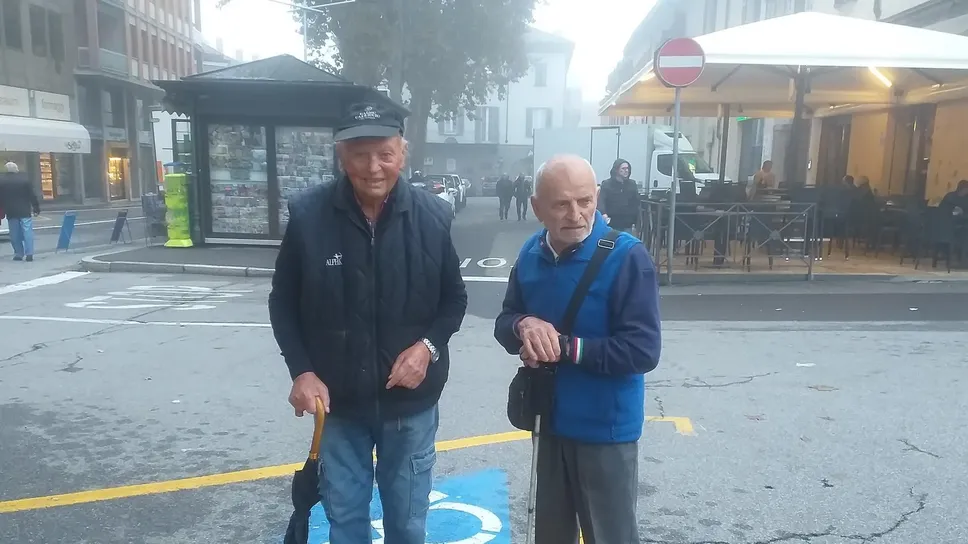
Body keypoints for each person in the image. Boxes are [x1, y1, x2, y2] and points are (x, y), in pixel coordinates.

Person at [268, 99, 468, 544]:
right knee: (347, 528)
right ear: (341, 156)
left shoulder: (433, 217)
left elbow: (454, 298)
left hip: (410, 409)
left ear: (403, 152)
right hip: (338, 410)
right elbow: (282, 302)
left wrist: (428, 348)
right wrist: (301, 370)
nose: (373, 167)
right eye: (359, 154)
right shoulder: (308, 216)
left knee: (408, 528)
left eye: (385, 153)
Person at [493, 154, 661, 544]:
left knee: (609, 536)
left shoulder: (628, 257)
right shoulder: (531, 253)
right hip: (548, 421)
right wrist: (523, 325)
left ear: (597, 197)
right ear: (536, 207)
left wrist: (564, 348)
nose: (576, 214)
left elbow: (642, 351)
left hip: (606, 430)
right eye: (561, 204)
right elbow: (505, 323)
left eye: (585, 201)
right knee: (551, 535)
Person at [0, 161, 40, 262]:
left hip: (11, 211)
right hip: (24, 210)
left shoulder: (2, 181)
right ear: (16, 169)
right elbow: (32, 195)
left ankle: (18, 253)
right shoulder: (24, 180)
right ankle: (29, 254)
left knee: (14, 233)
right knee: (27, 232)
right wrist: (36, 208)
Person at [597, 158, 639, 233]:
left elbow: (636, 203)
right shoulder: (607, 184)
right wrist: (603, 213)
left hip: (627, 223)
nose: (626, 170)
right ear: (617, 170)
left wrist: (634, 220)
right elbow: (601, 200)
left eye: (627, 168)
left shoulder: (632, 184)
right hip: (612, 222)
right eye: (623, 168)